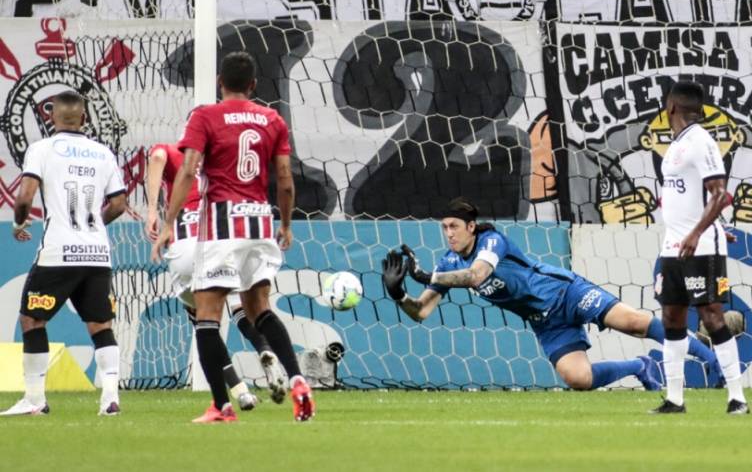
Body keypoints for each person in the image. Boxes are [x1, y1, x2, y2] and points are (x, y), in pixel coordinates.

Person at [382, 196, 721, 394]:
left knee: (632, 323)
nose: (449, 233)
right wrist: (400, 295)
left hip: (566, 292)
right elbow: (422, 312)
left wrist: (427, 275)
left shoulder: (491, 241)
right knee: (578, 379)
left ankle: (710, 359)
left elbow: (477, 275)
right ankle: (640, 366)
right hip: (545, 322)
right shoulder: (448, 262)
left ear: (471, 226)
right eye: (444, 227)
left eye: (454, 226)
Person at [152, 51, 314, 423]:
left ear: (219, 82)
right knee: (260, 308)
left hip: (222, 225)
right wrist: (286, 224)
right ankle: (299, 380)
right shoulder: (272, 119)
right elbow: (286, 178)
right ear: (254, 85)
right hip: (259, 222)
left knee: (207, 317)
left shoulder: (205, 116)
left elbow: (189, 170)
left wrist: (168, 223)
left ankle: (221, 406)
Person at [1, 91, 127, 417]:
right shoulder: (103, 153)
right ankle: (110, 399)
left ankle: (34, 399)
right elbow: (119, 204)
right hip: (97, 254)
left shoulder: (42, 149)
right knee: (101, 324)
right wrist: (94, 223)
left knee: (32, 319)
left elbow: (25, 197)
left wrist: (18, 223)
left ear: (51, 118)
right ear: (84, 119)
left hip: (59, 253)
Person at [145, 141, 286, 408]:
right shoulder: (223, 161)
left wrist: (152, 210)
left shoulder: (175, 152)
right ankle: (265, 348)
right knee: (239, 305)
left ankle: (238, 392)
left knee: (205, 324)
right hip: (225, 237)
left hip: (187, 240)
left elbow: (156, 158)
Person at [652, 80, 748, 414]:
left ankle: (737, 397)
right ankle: (675, 399)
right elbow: (694, 196)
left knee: (712, 317)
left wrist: (697, 233)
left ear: (670, 106)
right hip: (673, 247)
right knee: (671, 317)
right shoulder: (678, 144)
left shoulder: (701, 140)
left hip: (700, 247)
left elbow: (720, 194)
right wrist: (710, 226)